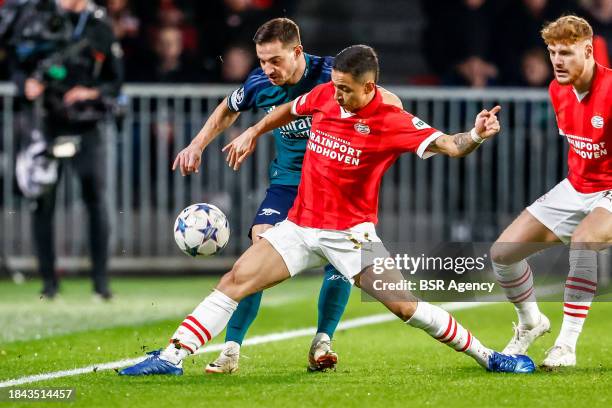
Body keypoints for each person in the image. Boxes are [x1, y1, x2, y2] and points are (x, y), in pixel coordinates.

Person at [120, 44, 535, 376]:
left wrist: (477, 135)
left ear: (370, 87)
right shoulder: (323, 95)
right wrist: (252, 131)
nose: (337, 94)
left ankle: (489, 356)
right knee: (235, 279)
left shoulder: (392, 120)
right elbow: (289, 110)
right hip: (298, 226)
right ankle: (172, 357)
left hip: (354, 235)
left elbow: (451, 145)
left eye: (346, 89)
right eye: (335, 86)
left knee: (405, 306)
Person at [171, 18, 352, 373]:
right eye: (262, 60)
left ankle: (322, 341)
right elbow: (227, 108)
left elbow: (378, 100)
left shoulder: (335, 76)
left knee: (343, 261)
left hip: (335, 184)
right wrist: (196, 144)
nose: (268, 69)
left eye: (275, 60)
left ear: (297, 51)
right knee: (258, 251)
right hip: (287, 183)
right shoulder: (260, 83)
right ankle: (231, 349)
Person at [489, 15, 612, 368]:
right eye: (553, 52)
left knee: (585, 241)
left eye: (567, 53)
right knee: (502, 253)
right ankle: (531, 323)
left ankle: (566, 345)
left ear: (589, 51)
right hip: (577, 186)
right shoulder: (557, 89)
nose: (557, 60)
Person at [5, 0, 123, 300]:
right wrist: (25, 85)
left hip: (87, 125)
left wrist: (91, 92)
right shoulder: (36, 15)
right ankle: (49, 284)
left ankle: (100, 283)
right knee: (42, 202)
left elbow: (115, 79)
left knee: (96, 200)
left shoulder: (98, 24)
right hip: (45, 124)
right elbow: (16, 62)